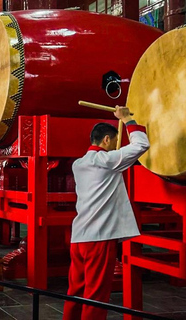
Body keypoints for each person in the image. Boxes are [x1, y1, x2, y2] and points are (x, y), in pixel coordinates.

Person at [62, 106, 150, 320]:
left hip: (79, 237)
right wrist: (127, 119)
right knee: (96, 294)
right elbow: (142, 144)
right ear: (107, 140)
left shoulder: (79, 164)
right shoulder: (106, 161)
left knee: (76, 290)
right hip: (99, 238)